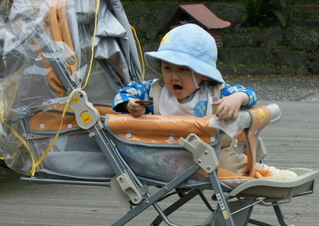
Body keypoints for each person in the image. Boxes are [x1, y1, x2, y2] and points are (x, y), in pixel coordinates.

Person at [113, 24, 296, 180]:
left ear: (203, 74)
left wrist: (236, 99)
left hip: (213, 152)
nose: (173, 76)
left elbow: (250, 94)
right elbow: (125, 92)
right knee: (140, 157)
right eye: (167, 68)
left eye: (183, 69)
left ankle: (265, 173)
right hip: (168, 153)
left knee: (229, 165)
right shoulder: (154, 90)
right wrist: (129, 104)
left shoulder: (215, 91)